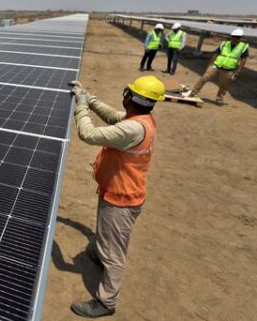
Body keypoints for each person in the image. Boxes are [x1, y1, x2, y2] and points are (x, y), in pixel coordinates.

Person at [67, 76, 165, 318]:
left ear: (130, 97)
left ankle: (106, 302)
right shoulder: (141, 120)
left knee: (114, 254)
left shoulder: (133, 128)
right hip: (118, 192)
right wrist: (89, 98)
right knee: (105, 234)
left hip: (122, 200)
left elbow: (88, 134)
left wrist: (80, 105)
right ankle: (100, 255)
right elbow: (112, 116)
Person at [189, 28, 250, 105]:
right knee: (204, 77)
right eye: (234, 36)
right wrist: (210, 65)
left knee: (223, 85)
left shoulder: (243, 46)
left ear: (241, 38)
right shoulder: (224, 43)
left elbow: (243, 59)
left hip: (228, 69)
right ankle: (193, 93)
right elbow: (216, 54)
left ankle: (219, 99)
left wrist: (238, 71)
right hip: (216, 65)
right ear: (231, 36)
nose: (235, 38)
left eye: (237, 37)